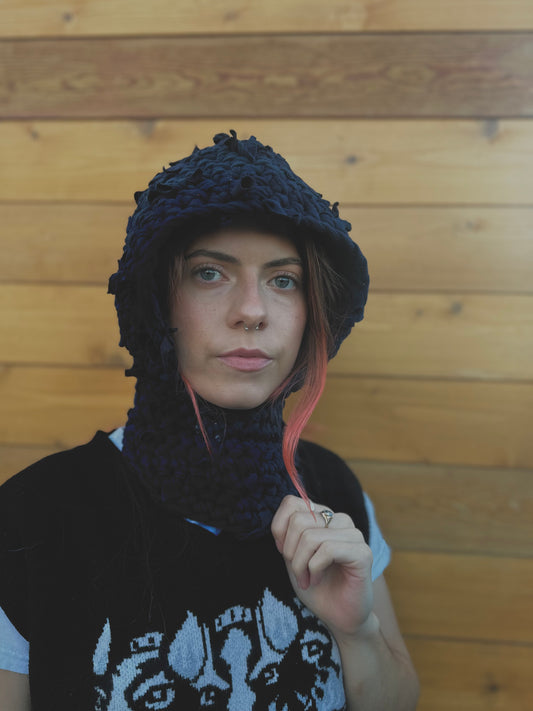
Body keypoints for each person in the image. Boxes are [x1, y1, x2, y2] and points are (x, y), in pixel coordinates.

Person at [0, 131, 419, 710]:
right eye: (209, 273)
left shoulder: (332, 492)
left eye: (283, 280)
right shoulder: (32, 519)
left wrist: (357, 631)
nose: (251, 310)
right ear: (157, 303)